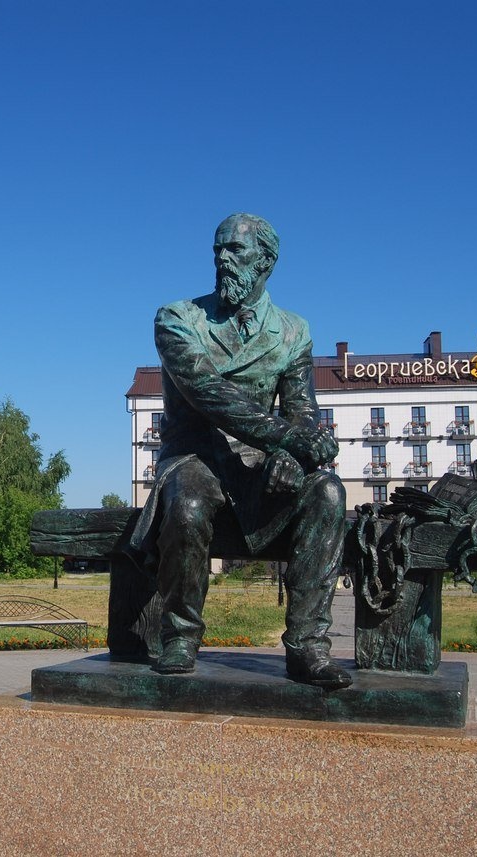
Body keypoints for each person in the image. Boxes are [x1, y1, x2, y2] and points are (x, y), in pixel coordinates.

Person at [129, 213, 351, 689]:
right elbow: (208, 392)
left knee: (328, 492)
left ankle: (308, 645)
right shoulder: (177, 318)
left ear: (266, 261)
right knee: (186, 506)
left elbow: (302, 411)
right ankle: (180, 637)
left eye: (235, 250)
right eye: (218, 249)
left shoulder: (293, 331)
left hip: (260, 463)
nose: (221, 258)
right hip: (195, 457)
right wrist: (288, 440)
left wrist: (292, 456)